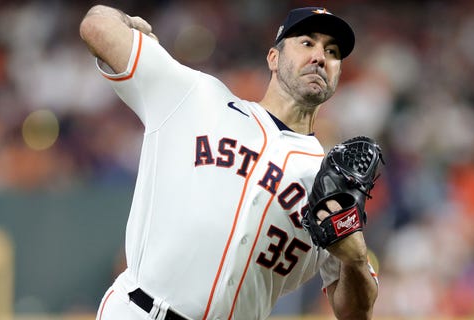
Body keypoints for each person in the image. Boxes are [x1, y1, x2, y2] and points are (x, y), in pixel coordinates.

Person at [79, 4, 378, 320]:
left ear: (339, 73)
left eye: (332, 52)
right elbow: (96, 26)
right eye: (307, 43)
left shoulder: (329, 183)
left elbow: (355, 313)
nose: (320, 57)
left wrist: (355, 259)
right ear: (273, 58)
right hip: (139, 311)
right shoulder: (196, 97)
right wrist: (125, 21)